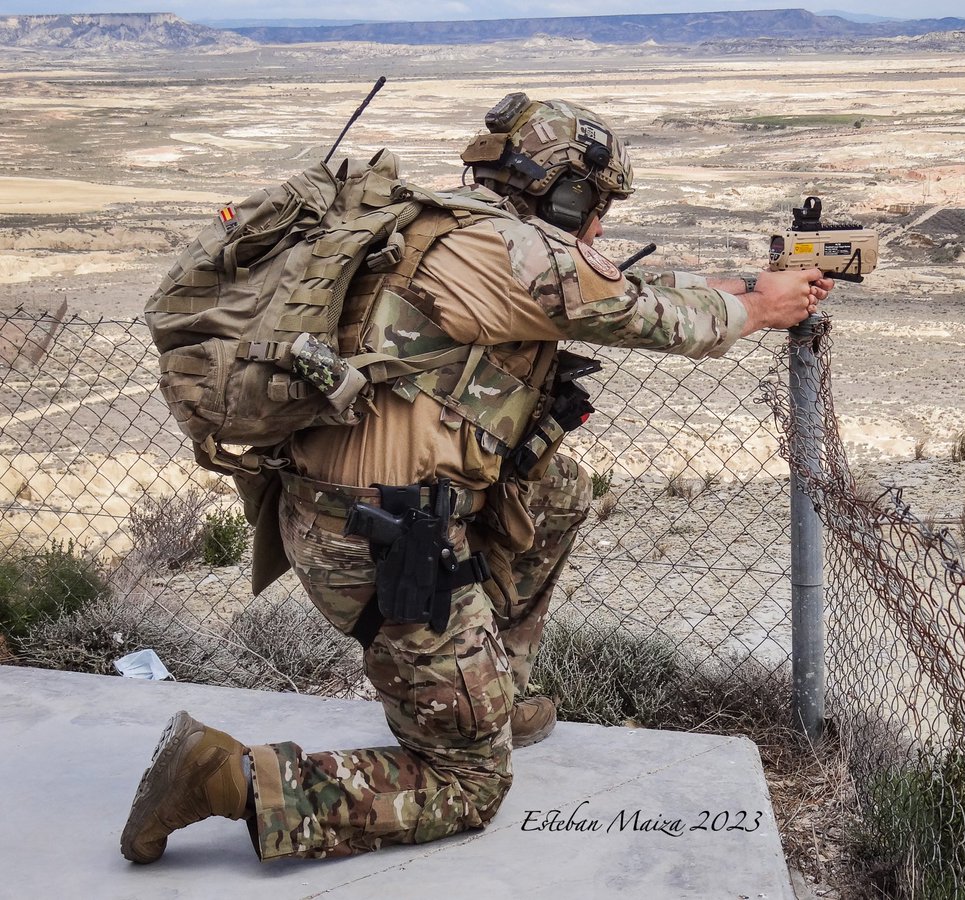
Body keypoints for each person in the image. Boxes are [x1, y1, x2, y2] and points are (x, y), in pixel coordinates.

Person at [121, 93, 833, 864]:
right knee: (465, 785)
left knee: (555, 491)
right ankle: (222, 778)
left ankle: (489, 689)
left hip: (348, 512)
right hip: (386, 543)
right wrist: (762, 307)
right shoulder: (519, 255)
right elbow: (667, 320)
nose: (601, 226)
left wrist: (737, 288)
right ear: (565, 193)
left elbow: (616, 291)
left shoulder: (446, 224)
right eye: (596, 206)